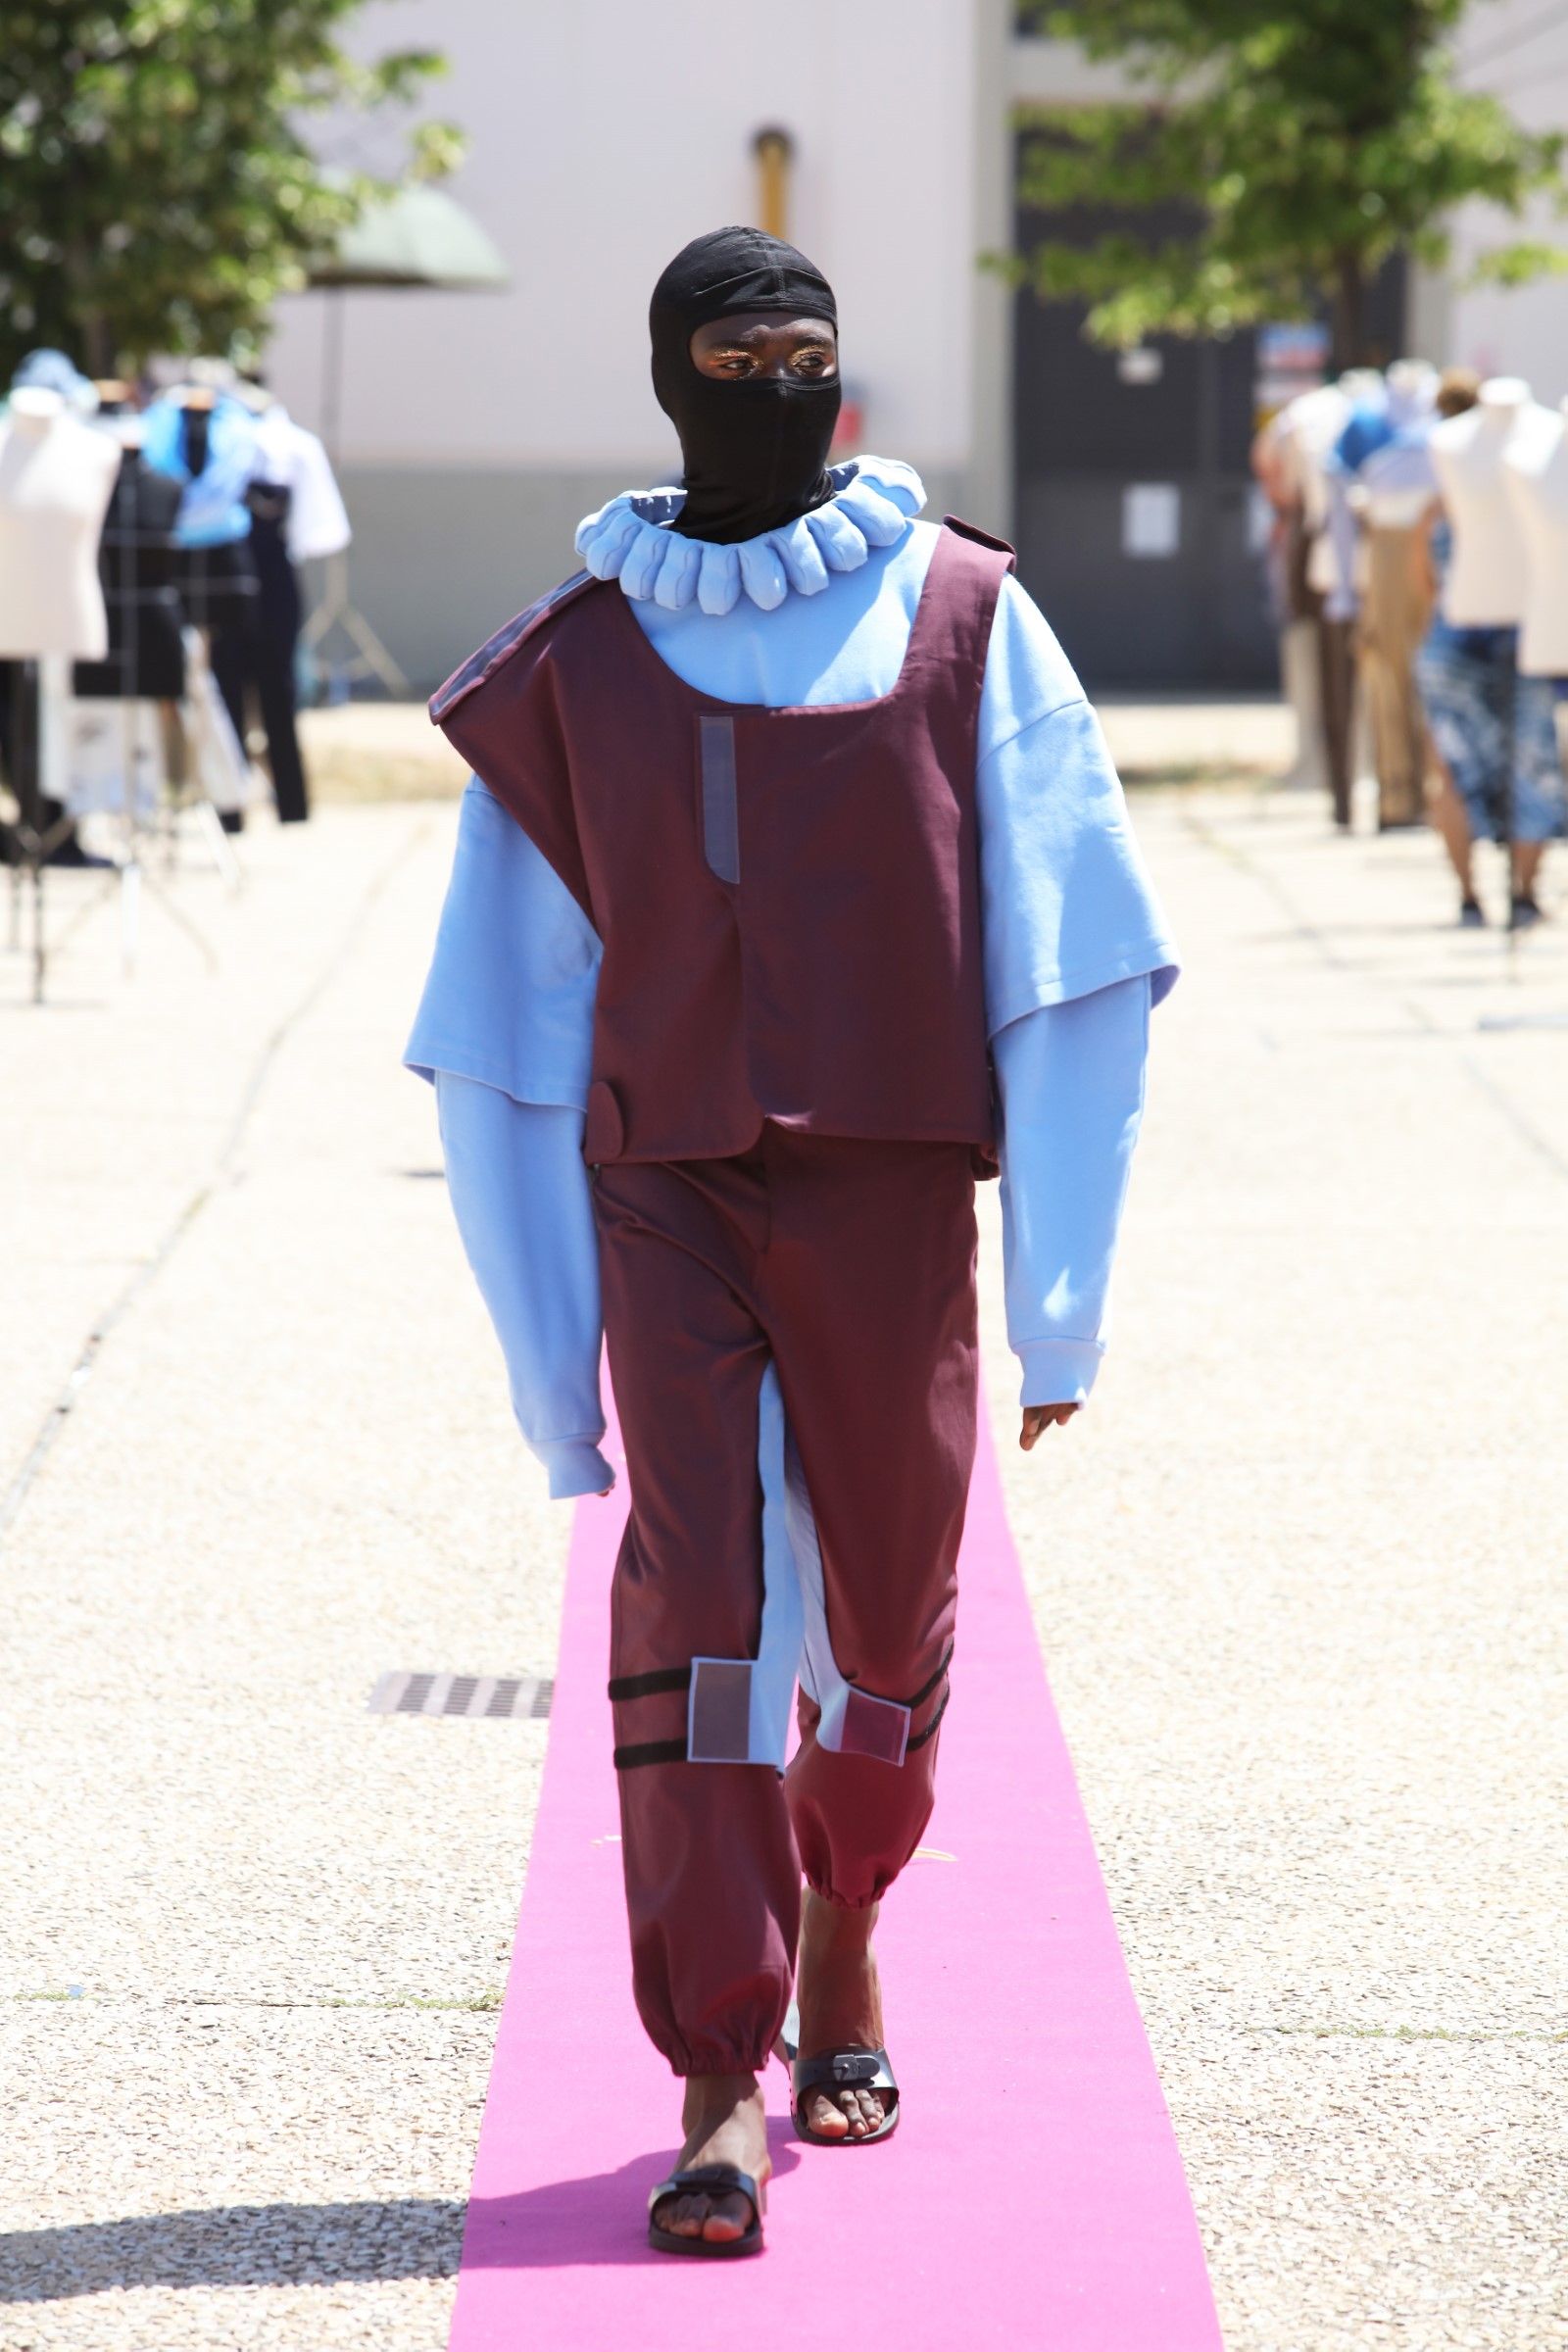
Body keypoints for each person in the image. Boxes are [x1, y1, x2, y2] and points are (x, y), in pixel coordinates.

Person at [405, 226, 1178, 2256]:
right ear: (669, 377)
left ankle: (847, 1917)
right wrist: (547, 1366)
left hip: (892, 1185)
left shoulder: (965, 617)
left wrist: (1061, 1300)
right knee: (701, 1606)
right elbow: (502, 1028)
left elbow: (1077, 956)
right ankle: (714, 2069)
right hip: (667, 1189)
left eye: (802, 354)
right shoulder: (574, 660)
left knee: (891, 1618)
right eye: (733, 357)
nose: (773, 386)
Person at [1412, 369, 1564, 926]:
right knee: (1504, 763)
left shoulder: (1536, 438)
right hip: (1509, 622)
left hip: (1493, 623)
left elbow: (1425, 565)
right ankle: (1500, 894)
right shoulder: (1527, 440)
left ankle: (1494, 894)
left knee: (1503, 764)